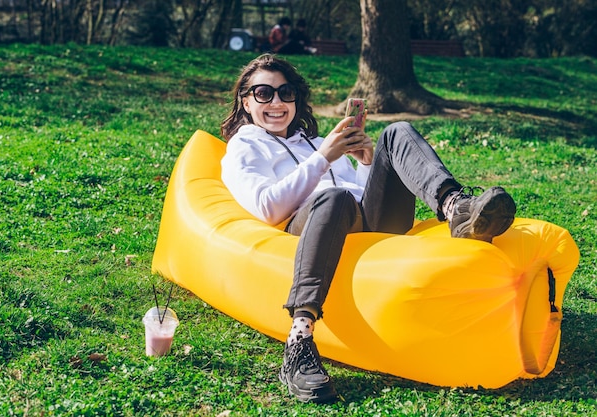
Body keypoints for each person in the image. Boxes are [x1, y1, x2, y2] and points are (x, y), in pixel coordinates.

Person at [220, 54, 516, 403]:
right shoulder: (245, 146)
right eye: (263, 93)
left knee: (396, 132)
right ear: (246, 100)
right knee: (334, 198)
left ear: (296, 98)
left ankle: (456, 208)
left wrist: (366, 162)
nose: (277, 103)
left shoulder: (314, 140)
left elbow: (358, 190)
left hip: (368, 221)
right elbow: (268, 208)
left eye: (286, 93)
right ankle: (299, 342)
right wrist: (323, 159)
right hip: (311, 224)